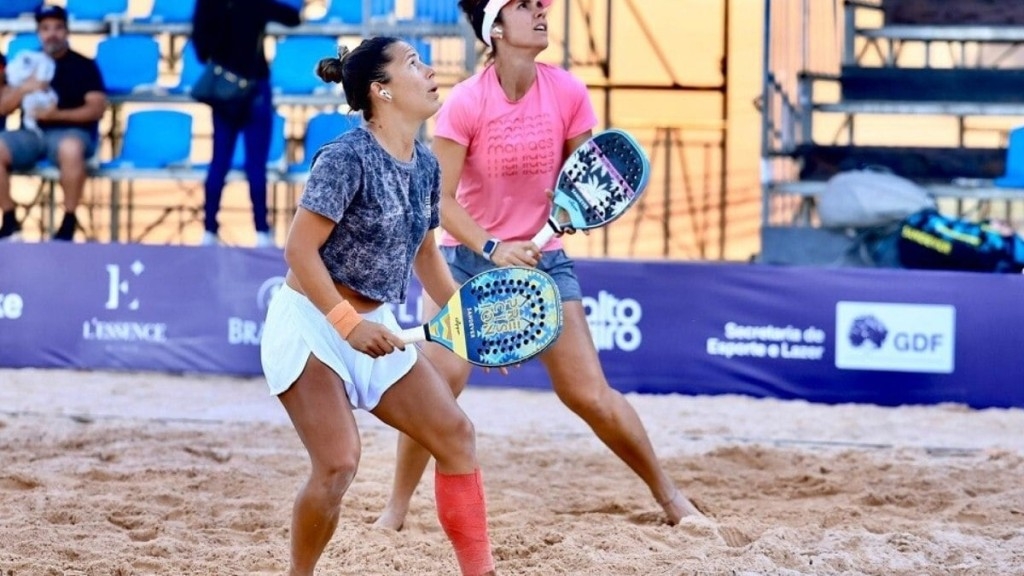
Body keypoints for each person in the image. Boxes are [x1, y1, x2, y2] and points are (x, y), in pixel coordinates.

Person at [375, 0, 704, 530]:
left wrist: (552, 227)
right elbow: (443, 202)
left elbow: (594, 182)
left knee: (589, 396)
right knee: (441, 381)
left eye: (541, 6)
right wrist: (492, 248)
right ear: (497, 28)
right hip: (468, 260)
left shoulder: (568, 92)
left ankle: (670, 499)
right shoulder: (465, 103)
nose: (542, 12)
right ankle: (394, 510)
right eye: (525, 6)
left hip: (544, 262)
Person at [259, 38, 496, 576]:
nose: (431, 70)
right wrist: (346, 324)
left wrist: (473, 321)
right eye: (415, 63)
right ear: (380, 90)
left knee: (456, 437)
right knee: (338, 465)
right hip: (311, 322)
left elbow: (426, 254)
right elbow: (298, 249)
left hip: (375, 324)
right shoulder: (346, 156)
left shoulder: (427, 165)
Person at [191, 0, 301, 248]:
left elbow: (201, 49)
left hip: (224, 87)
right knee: (256, 165)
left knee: (219, 161)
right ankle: (261, 231)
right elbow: (292, 18)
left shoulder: (208, 5)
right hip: (255, 86)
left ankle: (208, 229)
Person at [0, 4, 106, 242]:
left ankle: (68, 221)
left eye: (57, 28)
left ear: (67, 31)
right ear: (38, 32)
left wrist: (56, 115)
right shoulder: (26, 62)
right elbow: (3, 106)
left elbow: (97, 108)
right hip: (32, 133)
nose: (52, 34)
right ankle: (8, 218)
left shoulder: (83, 65)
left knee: (70, 148)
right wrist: (26, 88)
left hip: (71, 131)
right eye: (45, 28)